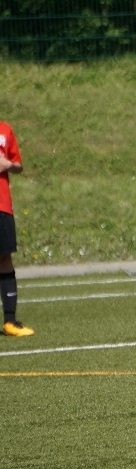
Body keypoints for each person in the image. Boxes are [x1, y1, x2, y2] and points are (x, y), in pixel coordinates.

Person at [0, 120, 33, 337]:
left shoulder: (5, 130)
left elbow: (18, 165)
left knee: (5, 258)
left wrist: (8, 165)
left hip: (3, 205)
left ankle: (10, 322)